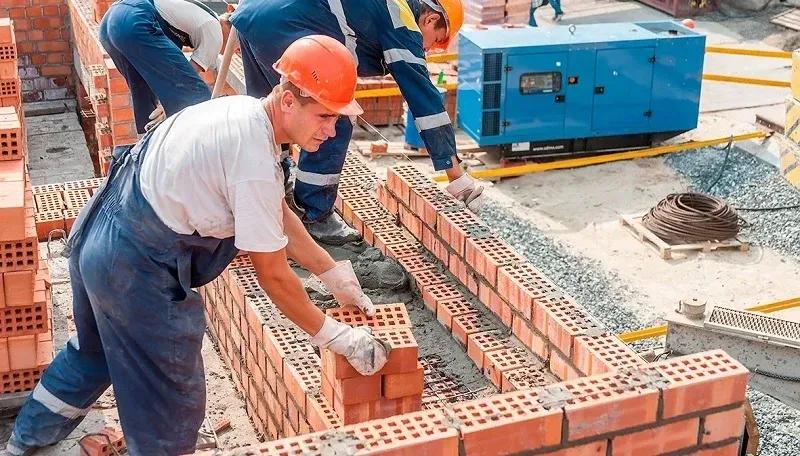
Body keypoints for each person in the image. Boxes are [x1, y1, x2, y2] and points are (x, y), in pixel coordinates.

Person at [2, 36, 391, 456]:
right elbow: (275, 276)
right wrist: (336, 337)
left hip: (103, 233)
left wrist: (332, 273)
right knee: (169, 392)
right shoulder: (252, 159)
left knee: (95, 351)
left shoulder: (243, 112)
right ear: (287, 101)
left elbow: (278, 214)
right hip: (133, 266)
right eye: (325, 117)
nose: (331, 131)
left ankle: (22, 442)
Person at [229, 0, 485, 245]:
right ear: (431, 19)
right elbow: (426, 102)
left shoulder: (390, 6)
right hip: (282, 23)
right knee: (332, 118)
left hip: (253, 13)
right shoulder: (403, 23)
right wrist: (456, 178)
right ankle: (314, 214)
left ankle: (271, 189)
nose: (427, 49)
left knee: (273, 115)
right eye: (436, 41)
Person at [98, 0, 230, 138]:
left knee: (144, 94)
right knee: (197, 97)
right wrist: (168, 103)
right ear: (235, 34)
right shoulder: (215, 33)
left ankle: (145, 145)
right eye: (239, 48)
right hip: (136, 21)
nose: (236, 52)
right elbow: (184, 81)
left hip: (111, 22)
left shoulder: (202, 16)